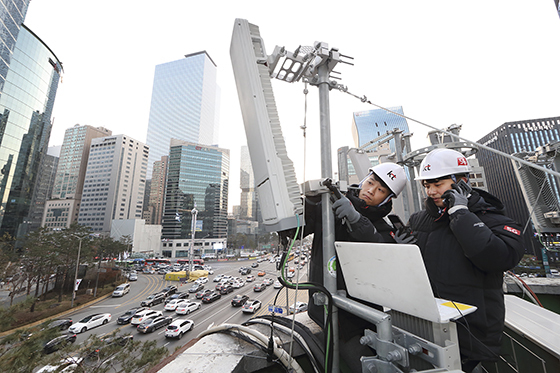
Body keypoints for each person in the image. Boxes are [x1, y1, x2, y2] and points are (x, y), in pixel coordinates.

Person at [407, 148, 524, 372]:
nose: (431, 191)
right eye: (426, 185)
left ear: (462, 182)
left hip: (472, 330)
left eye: (437, 184)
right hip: (427, 324)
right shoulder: (419, 220)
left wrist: (460, 213)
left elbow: (501, 258)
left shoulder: (493, 219)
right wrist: (404, 251)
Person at [300, 162, 408, 371]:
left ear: (388, 199)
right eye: (371, 182)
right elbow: (298, 227)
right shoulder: (330, 204)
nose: (371, 191)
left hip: (357, 319)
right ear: (364, 179)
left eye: (380, 191)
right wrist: (311, 202)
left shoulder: (385, 227)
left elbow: (378, 250)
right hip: (321, 308)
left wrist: (356, 219)